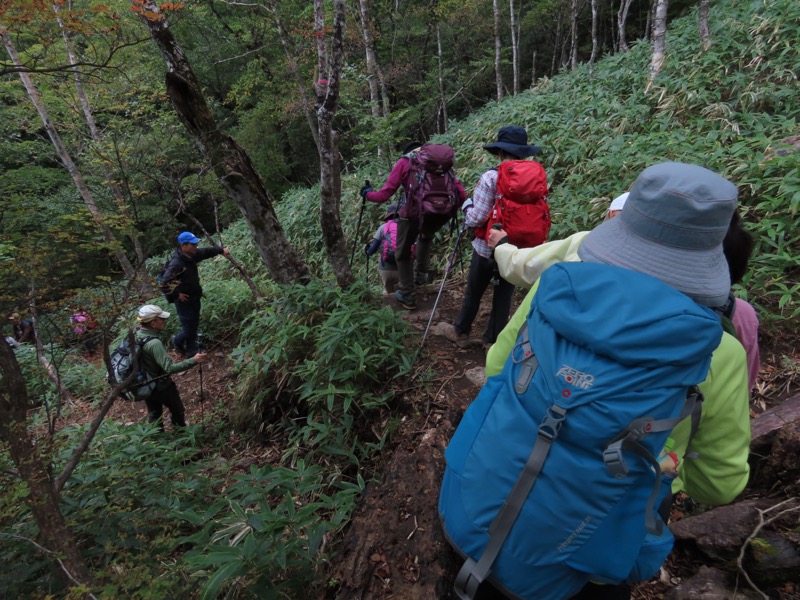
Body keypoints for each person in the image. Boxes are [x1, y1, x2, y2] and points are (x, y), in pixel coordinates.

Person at [483, 162, 751, 599]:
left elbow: (498, 368)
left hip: (503, 493)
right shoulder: (720, 353)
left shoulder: (556, 288)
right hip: (597, 544)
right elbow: (717, 485)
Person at [446, 125, 543, 349]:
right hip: (515, 247)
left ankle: (461, 331)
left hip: (486, 247)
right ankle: (493, 341)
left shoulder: (491, 176)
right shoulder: (535, 175)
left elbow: (476, 218)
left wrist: (467, 206)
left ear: (500, 152)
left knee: (475, 290)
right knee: (503, 296)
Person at [361, 141, 467, 310]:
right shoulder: (443, 165)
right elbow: (461, 193)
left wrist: (367, 194)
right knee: (425, 236)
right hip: (442, 213)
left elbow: (384, 194)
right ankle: (421, 275)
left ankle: (407, 293)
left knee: (402, 252)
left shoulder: (406, 162)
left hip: (414, 214)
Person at [134, 304, 208, 429]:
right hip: (161, 385)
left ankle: (158, 440)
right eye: (161, 319)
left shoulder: (137, 334)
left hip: (145, 383)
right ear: (153, 323)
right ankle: (180, 431)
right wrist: (194, 360)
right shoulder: (154, 343)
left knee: (154, 414)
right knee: (177, 409)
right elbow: (170, 368)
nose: (164, 321)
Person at [159, 231, 229, 358]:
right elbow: (164, 282)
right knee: (189, 325)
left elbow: (206, 252)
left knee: (193, 324)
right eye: (192, 244)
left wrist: (220, 250)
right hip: (184, 301)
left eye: (196, 244)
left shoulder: (191, 255)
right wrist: (176, 295)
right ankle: (178, 342)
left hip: (194, 296)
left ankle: (191, 348)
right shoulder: (177, 263)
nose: (195, 246)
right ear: (183, 245)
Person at [364, 204, 402, 296]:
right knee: (403, 293)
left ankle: (389, 308)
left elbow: (371, 251)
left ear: (388, 214)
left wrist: (366, 250)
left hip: (386, 269)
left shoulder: (383, 227)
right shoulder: (407, 227)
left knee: (388, 294)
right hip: (403, 269)